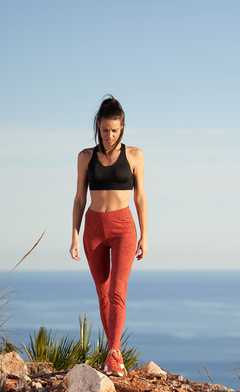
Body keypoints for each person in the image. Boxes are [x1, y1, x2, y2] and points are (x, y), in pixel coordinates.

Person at [70, 95, 148, 377]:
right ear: (98, 127)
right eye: (105, 130)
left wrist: (145, 235)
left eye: (114, 130)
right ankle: (113, 353)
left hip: (123, 227)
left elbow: (140, 197)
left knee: (118, 290)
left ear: (122, 127)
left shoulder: (135, 155)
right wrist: (75, 235)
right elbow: (79, 198)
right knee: (103, 294)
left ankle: (114, 353)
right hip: (92, 228)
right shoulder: (85, 157)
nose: (109, 136)